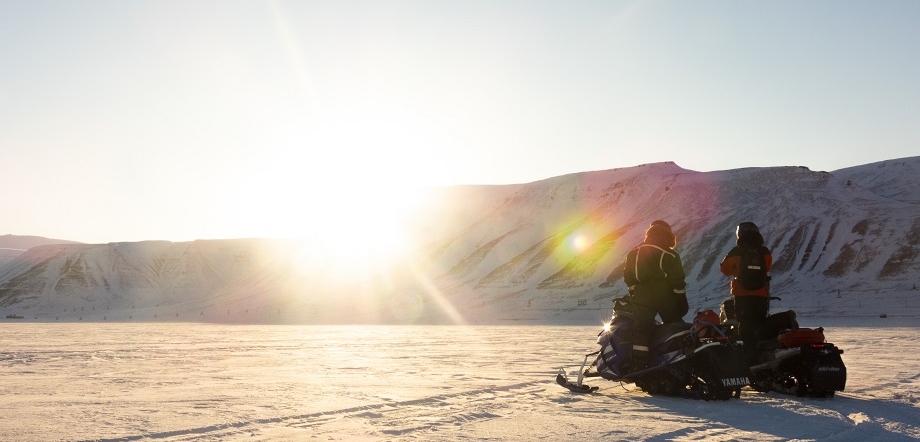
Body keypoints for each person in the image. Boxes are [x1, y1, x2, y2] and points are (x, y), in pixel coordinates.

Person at [600, 220, 688, 371]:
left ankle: (639, 365)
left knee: (641, 330)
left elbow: (628, 276)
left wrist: (635, 292)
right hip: (665, 295)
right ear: (667, 235)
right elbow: (677, 281)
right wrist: (680, 299)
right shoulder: (670, 255)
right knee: (675, 326)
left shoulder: (634, 252)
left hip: (642, 296)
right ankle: (678, 360)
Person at [719, 222, 773, 365]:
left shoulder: (737, 251)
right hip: (761, 296)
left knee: (745, 328)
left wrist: (737, 271)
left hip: (742, 297)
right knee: (760, 326)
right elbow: (768, 267)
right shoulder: (764, 251)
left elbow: (724, 269)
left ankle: (750, 363)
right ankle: (764, 357)